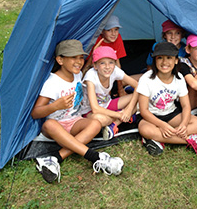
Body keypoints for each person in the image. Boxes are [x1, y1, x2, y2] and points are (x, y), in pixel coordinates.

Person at [31, 40, 124, 183]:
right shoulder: (52, 82)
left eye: (80, 57)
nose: (78, 61)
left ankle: (55, 157)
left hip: (74, 121)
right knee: (50, 124)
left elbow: (84, 72)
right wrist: (55, 106)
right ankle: (96, 157)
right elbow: (35, 112)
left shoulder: (78, 75)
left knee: (95, 124)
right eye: (73, 57)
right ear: (60, 60)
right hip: (56, 127)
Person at [137, 42, 197, 157]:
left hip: (171, 113)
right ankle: (191, 140)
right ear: (155, 60)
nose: (164, 62)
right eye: (160, 58)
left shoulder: (179, 78)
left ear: (176, 60)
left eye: (169, 58)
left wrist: (184, 124)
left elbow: (186, 106)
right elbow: (144, 110)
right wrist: (162, 125)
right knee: (145, 130)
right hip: (151, 117)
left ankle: (156, 139)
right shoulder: (146, 78)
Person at [82, 46, 139, 140]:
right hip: (89, 111)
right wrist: (121, 115)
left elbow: (138, 86)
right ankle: (124, 118)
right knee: (100, 119)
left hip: (107, 104)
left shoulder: (115, 70)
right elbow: (95, 109)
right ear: (95, 66)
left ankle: (114, 125)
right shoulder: (91, 77)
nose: (107, 67)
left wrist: (128, 110)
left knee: (141, 97)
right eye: (102, 63)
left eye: (111, 62)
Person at [83, 15, 127, 96]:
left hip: (111, 76)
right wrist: (93, 53)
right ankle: (106, 96)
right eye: (109, 30)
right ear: (102, 31)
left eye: (116, 30)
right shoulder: (96, 41)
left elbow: (118, 65)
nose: (113, 34)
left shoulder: (117, 38)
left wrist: (120, 89)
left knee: (140, 77)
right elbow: (87, 68)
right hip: (97, 78)